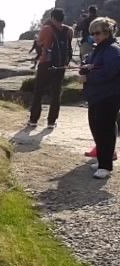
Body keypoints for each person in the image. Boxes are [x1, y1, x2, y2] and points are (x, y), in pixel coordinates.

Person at [79, 17, 120, 179]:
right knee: (96, 128)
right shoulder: (100, 48)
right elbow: (94, 64)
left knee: (105, 130)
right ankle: (103, 159)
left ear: (108, 32)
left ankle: (105, 166)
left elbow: (110, 72)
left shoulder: (113, 50)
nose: (94, 36)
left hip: (109, 96)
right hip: (96, 96)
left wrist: (89, 77)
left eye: (98, 33)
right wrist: (87, 65)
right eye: (92, 34)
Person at [28, 8, 74, 128]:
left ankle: (33, 120)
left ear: (53, 17)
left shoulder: (46, 29)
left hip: (45, 64)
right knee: (56, 93)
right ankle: (51, 122)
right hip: (60, 65)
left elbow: (39, 44)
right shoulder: (69, 30)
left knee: (39, 92)